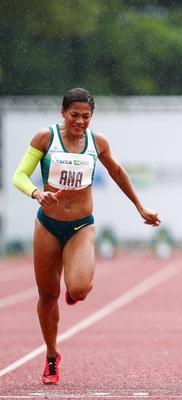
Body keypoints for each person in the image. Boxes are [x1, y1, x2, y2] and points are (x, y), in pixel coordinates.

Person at [12, 88, 161, 384]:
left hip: (81, 225)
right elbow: (19, 175)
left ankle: (73, 288)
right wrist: (37, 193)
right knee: (47, 295)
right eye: (74, 115)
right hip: (48, 225)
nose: (80, 122)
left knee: (79, 290)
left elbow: (118, 172)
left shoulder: (96, 142)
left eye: (86, 116)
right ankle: (52, 356)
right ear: (62, 112)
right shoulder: (46, 138)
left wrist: (140, 207)